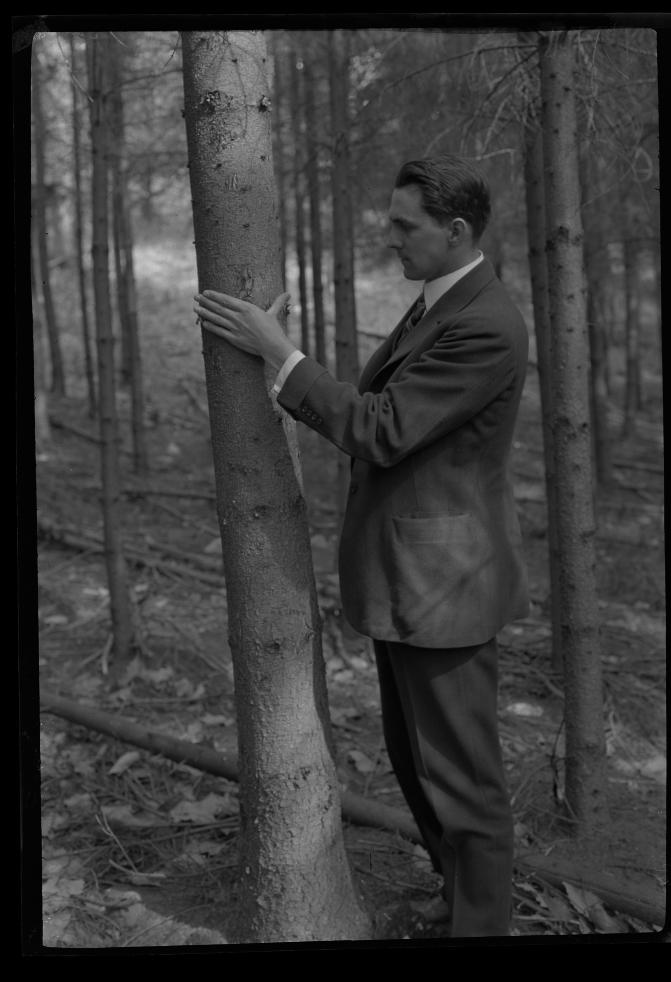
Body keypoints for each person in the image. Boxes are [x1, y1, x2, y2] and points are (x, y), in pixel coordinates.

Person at [193, 154, 530, 938]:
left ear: (454, 231)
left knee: (464, 782)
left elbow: (382, 428)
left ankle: (481, 927)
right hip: (411, 578)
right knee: (415, 764)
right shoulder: (437, 303)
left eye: (404, 226)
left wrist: (282, 355)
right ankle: (456, 900)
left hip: (448, 586)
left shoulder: (486, 322)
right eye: (389, 221)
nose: (390, 237)